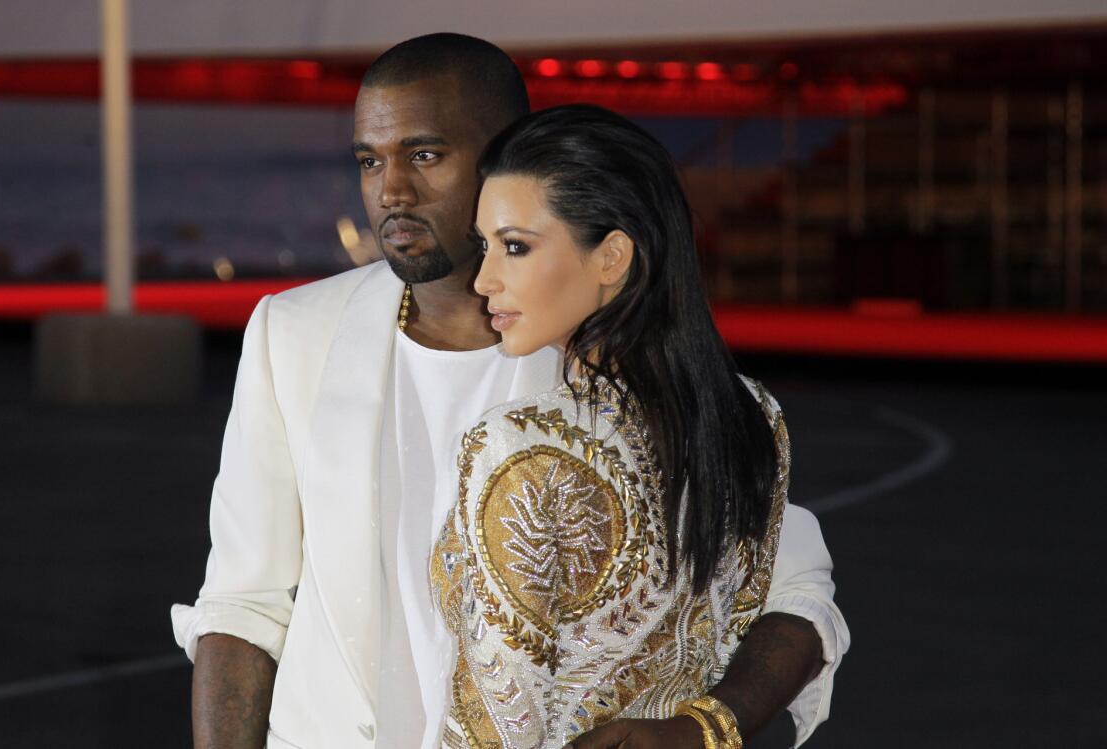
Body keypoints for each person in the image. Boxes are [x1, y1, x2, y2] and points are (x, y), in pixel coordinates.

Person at [171, 33, 848, 749]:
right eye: (371, 161)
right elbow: (242, 605)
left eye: (425, 154)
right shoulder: (292, 333)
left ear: (503, 153)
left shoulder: (618, 363)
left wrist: (706, 726)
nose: (390, 191)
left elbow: (795, 593)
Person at [432, 103, 815, 749]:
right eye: (484, 246)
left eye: (515, 246)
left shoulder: (522, 447)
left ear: (612, 257)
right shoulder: (754, 415)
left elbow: (498, 721)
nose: (484, 278)